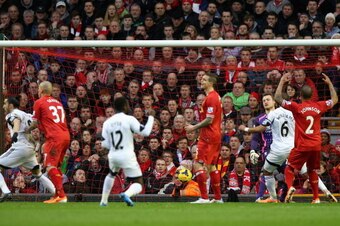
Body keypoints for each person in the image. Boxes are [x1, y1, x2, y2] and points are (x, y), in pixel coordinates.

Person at [275, 73, 338, 203]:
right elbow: (335, 99)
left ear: (300, 96)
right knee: (312, 170)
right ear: (311, 95)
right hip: (316, 145)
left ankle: (290, 187)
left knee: (290, 168)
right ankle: (316, 198)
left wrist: (282, 81)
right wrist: (330, 83)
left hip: (302, 145)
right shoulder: (319, 106)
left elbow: (277, 98)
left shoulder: (296, 107)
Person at [239, 94, 295, 203]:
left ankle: (281, 198)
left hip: (282, 148)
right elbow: (256, 138)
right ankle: (261, 196)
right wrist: (253, 150)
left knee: (283, 174)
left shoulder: (283, 116)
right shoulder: (259, 119)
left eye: (268, 99)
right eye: (263, 100)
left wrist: (246, 129)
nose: (265, 102)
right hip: (268, 149)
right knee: (267, 173)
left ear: (274, 102)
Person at [100, 96, 154, 207]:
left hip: (113, 154)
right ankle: (126, 194)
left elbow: (104, 143)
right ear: (125, 106)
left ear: (114, 108)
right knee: (138, 183)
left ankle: (104, 201)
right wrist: (151, 117)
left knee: (111, 174)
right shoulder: (129, 119)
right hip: (127, 154)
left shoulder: (107, 122)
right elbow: (146, 132)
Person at [0, 96, 55, 202]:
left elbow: (16, 121)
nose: (3, 106)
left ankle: (6, 191)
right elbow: (35, 123)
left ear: (11, 105)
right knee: (38, 174)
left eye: (5, 103)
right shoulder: (26, 114)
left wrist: (15, 133)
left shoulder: (12, 114)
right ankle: (57, 193)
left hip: (20, 148)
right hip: (29, 150)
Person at [29, 81, 70, 204]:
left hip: (54, 137)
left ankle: (62, 196)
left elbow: (34, 123)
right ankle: (57, 195)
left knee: (50, 166)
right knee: (56, 167)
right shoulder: (58, 102)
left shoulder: (39, 102)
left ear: (40, 90)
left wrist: (24, 131)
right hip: (65, 135)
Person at [185, 72, 222, 204]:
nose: (202, 81)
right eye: (201, 79)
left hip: (208, 136)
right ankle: (218, 198)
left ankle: (204, 197)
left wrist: (193, 128)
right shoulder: (215, 97)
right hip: (215, 135)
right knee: (212, 166)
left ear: (211, 83)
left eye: (205, 79)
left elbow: (209, 119)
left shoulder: (211, 97)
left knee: (198, 163)